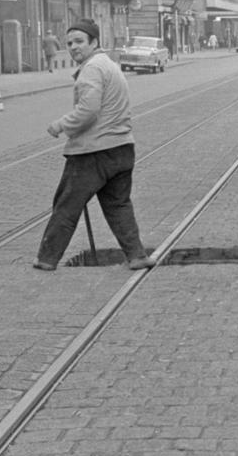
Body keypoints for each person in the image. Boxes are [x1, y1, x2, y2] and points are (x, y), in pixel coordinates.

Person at [34, 19, 153, 272]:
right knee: (118, 204)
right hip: (122, 148)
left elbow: (88, 110)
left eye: (79, 41)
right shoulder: (109, 65)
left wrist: (60, 125)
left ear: (94, 42)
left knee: (66, 205)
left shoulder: (91, 69)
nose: (73, 47)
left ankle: (47, 258)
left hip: (93, 152)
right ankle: (136, 255)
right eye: (69, 43)